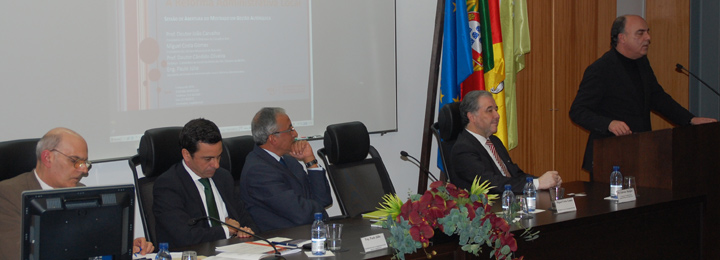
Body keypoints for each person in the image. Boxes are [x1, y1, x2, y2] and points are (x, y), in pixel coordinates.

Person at [569, 15, 717, 172]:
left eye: (648, 32)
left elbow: (659, 98)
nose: (648, 38)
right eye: (640, 33)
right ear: (622, 38)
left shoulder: (642, 64)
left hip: (642, 153)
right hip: (610, 157)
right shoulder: (601, 69)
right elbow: (578, 111)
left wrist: (690, 119)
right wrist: (609, 124)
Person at [0, 128, 154, 260]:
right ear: (47, 158)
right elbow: (18, 254)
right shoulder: (7, 194)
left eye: (85, 163)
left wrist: (122, 246)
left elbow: (96, 238)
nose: (84, 170)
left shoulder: (81, 191)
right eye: (75, 161)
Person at [153, 118, 257, 248]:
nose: (216, 165)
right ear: (186, 155)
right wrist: (227, 230)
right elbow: (185, 237)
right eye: (208, 159)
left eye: (219, 156)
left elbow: (246, 220)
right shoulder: (168, 186)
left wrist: (246, 231)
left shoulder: (223, 177)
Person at [239, 107, 332, 232]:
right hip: (280, 240)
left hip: (303, 234)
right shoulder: (258, 171)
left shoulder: (288, 160)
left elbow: (323, 200)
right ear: (273, 138)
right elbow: (301, 214)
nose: (295, 134)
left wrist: (310, 161)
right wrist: (320, 211)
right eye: (290, 129)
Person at [451, 91, 561, 194]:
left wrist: (546, 181)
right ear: (472, 117)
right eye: (490, 110)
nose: (497, 115)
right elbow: (490, 183)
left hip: (513, 202)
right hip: (490, 209)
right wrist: (537, 184)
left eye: (496, 109)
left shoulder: (494, 141)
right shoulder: (463, 148)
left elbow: (516, 175)